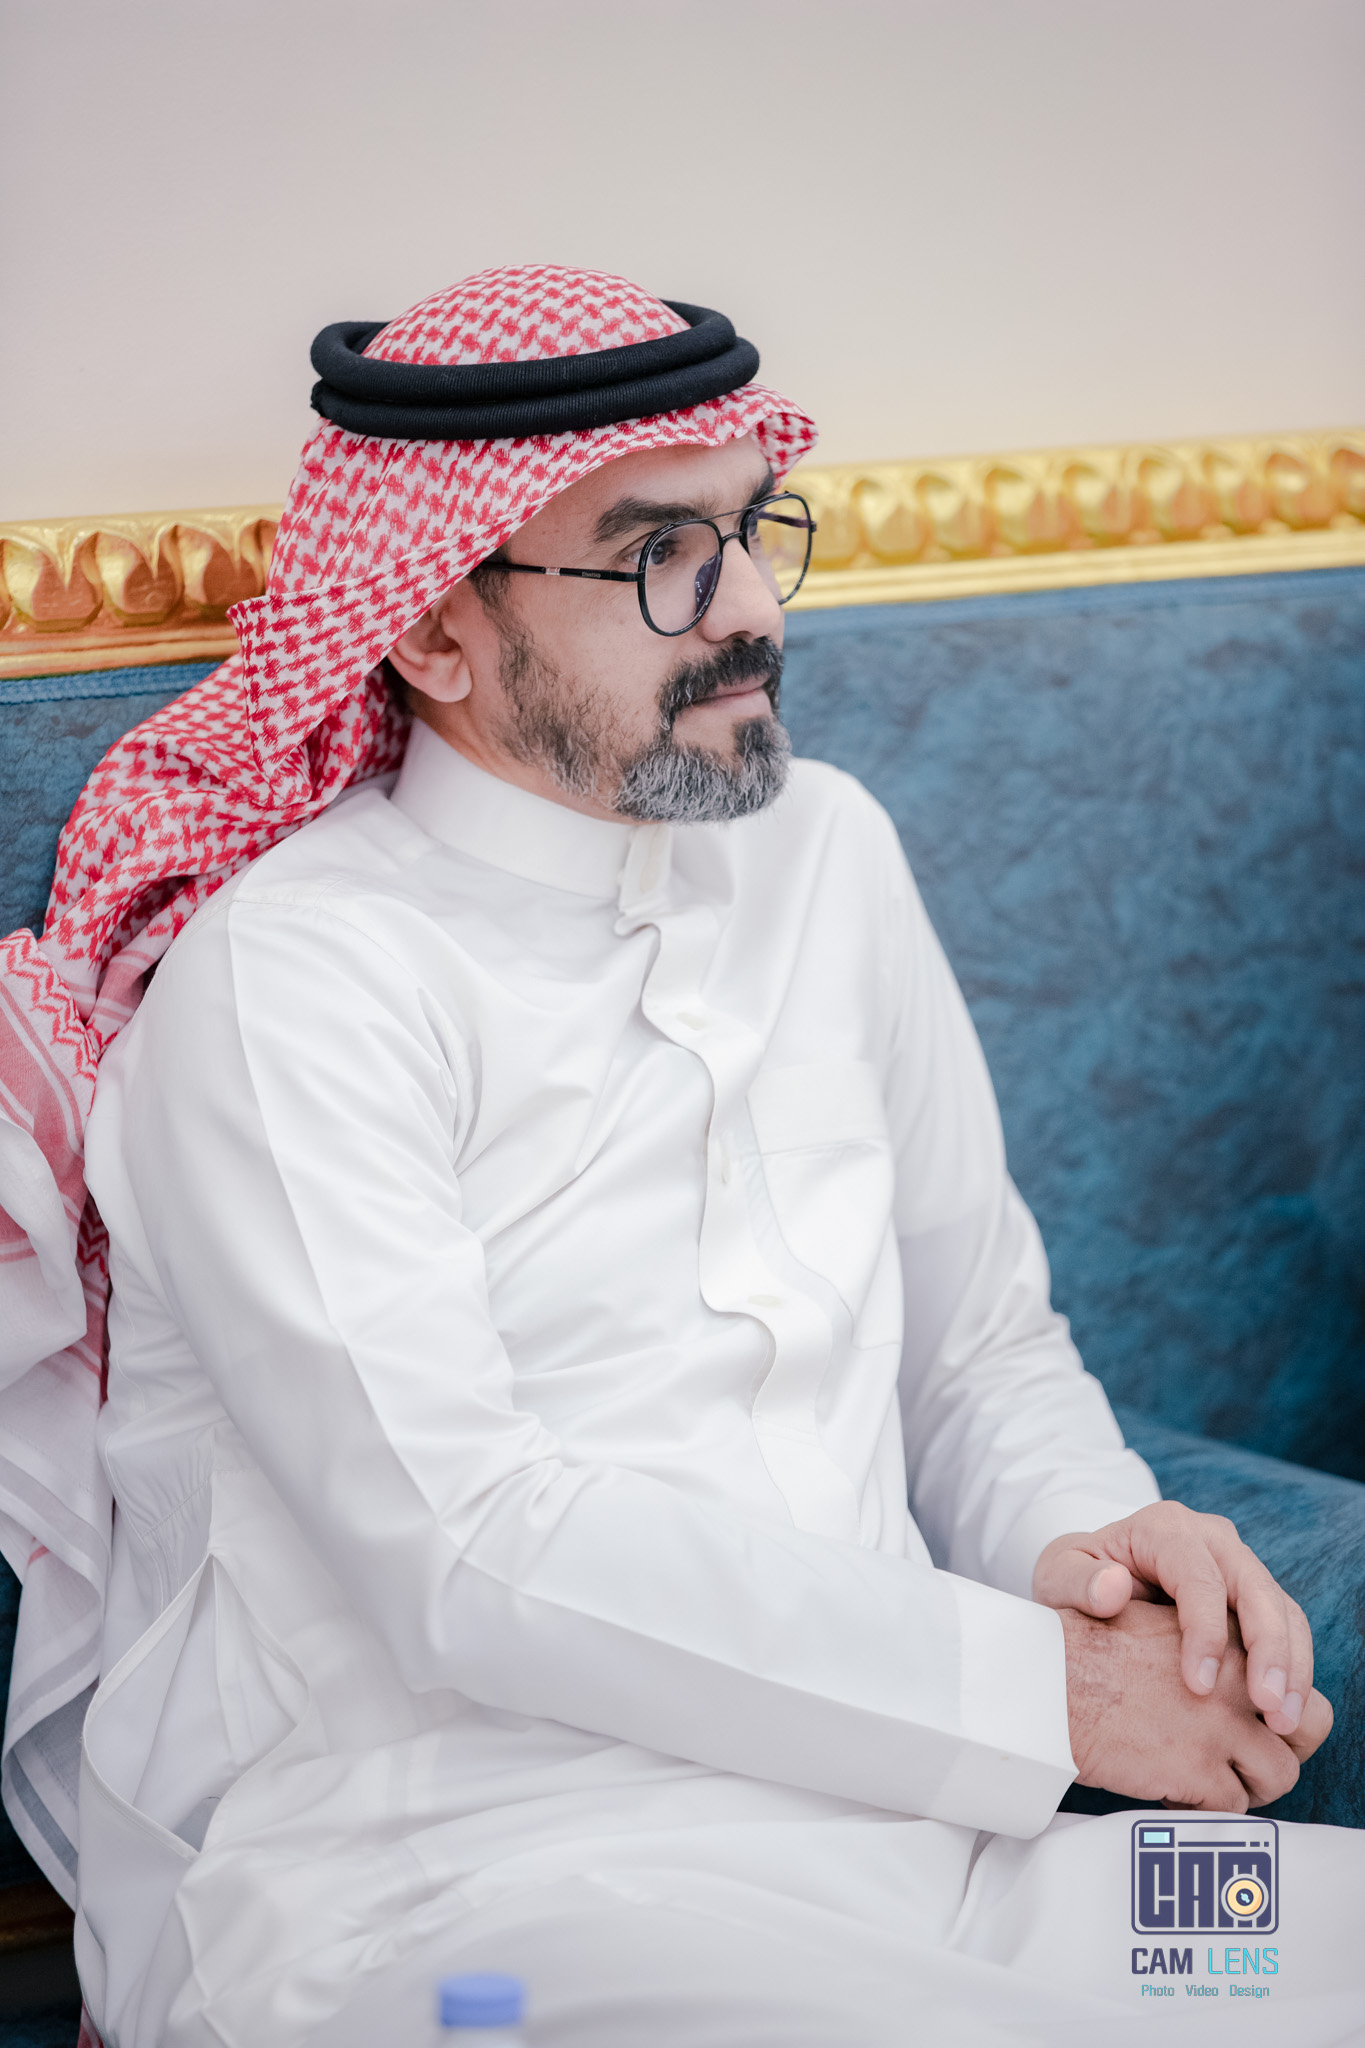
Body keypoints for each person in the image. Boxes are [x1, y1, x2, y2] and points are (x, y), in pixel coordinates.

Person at [0, 269, 1357, 2048]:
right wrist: (1046, 1698)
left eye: (751, 532)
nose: (753, 612)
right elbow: (468, 1557)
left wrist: (1107, 1559)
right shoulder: (298, 980)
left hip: (939, 1852)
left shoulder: (826, 854)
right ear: (434, 631)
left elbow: (973, 1353)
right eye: (660, 556)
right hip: (477, 1898)